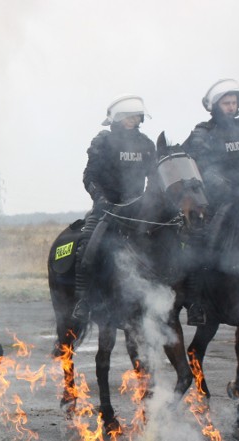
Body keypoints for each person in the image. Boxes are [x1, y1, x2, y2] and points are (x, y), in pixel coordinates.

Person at [181, 79, 239, 325]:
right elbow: (199, 165)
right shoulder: (203, 132)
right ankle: (197, 303)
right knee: (201, 246)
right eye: (226, 103)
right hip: (216, 203)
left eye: (234, 103)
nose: (231, 107)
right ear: (215, 105)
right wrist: (224, 187)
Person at [71, 95, 156, 321]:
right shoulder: (103, 141)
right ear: (117, 119)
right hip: (107, 208)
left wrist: (149, 200)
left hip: (138, 210)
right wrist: (101, 200)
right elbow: (89, 176)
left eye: (136, 116)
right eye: (127, 116)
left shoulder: (146, 144)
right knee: (87, 245)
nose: (132, 120)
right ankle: (84, 299)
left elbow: (155, 178)